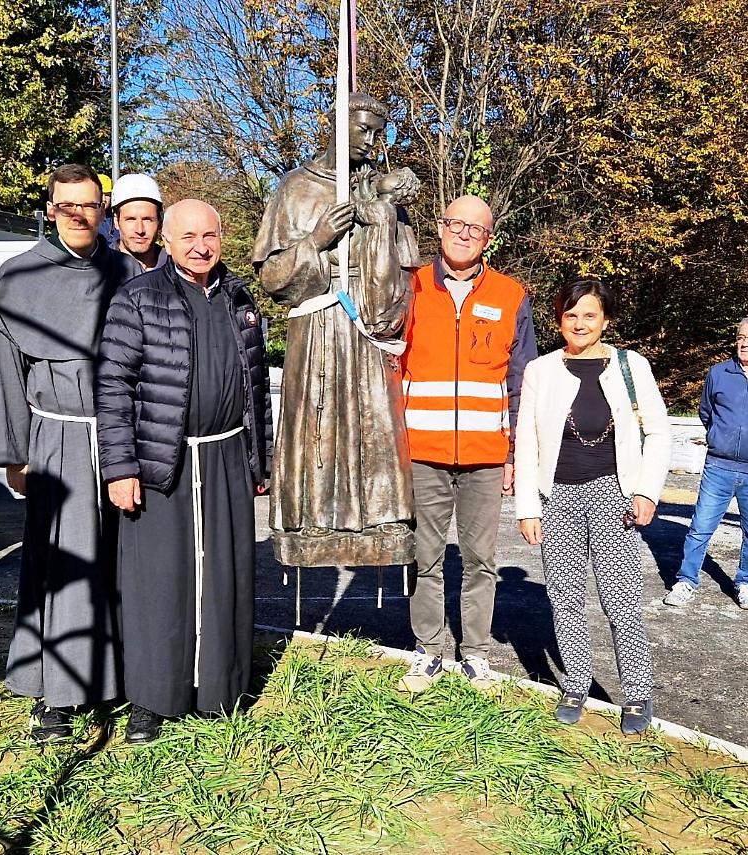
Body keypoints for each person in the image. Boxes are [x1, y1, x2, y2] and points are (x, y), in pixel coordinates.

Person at [0, 164, 140, 742]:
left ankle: (120, 680)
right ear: (50, 209)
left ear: (102, 209)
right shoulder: (19, 278)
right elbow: (4, 375)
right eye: (67, 204)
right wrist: (13, 452)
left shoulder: (129, 273)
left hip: (122, 438)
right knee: (62, 565)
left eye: (89, 204)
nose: (78, 213)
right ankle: (57, 697)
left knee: (123, 562)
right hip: (56, 439)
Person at [97, 199, 271, 743]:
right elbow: (114, 386)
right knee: (158, 583)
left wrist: (258, 460)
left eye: (210, 235)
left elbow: (256, 388)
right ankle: (152, 699)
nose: (201, 246)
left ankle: (222, 689)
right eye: (189, 236)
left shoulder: (241, 300)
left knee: (226, 575)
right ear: (166, 242)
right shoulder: (138, 298)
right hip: (160, 460)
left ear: (222, 237)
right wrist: (120, 466)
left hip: (226, 456)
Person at [252, 92, 419, 569]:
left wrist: (382, 219)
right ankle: (313, 523)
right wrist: (318, 240)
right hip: (318, 331)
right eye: (362, 129)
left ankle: (381, 521)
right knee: (318, 426)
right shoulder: (295, 189)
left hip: (367, 330)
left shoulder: (382, 191)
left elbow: (405, 277)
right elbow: (272, 279)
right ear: (337, 125)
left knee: (374, 422)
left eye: (377, 132)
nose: (371, 141)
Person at [515, 278, 670, 733]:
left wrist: (645, 491)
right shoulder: (542, 370)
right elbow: (526, 442)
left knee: (621, 601)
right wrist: (528, 506)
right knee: (564, 598)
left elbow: (658, 433)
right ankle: (577, 683)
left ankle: (638, 694)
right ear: (558, 320)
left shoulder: (630, 366)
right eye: (570, 315)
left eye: (589, 315)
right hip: (556, 496)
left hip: (613, 495)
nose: (579, 324)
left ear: (605, 320)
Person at [395, 195, 537, 692]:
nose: (463, 233)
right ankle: (428, 650)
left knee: (480, 560)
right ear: (440, 227)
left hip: (486, 455)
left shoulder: (511, 294)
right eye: (455, 223)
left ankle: (474, 653)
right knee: (424, 556)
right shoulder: (407, 286)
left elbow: (522, 380)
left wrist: (516, 452)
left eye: (474, 228)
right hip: (421, 452)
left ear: (489, 238)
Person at [664, 317, 748, 611]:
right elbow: (706, 412)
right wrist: (718, 436)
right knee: (700, 527)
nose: (744, 343)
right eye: (740, 337)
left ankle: (747, 584)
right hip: (719, 467)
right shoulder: (719, 373)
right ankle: (686, 580)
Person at [111, 172, 167, 271]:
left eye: (147, 220)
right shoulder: (98, 270)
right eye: (131, 219)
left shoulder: (176, 268)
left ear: (160, 222)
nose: (140, 230)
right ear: (116, 221)